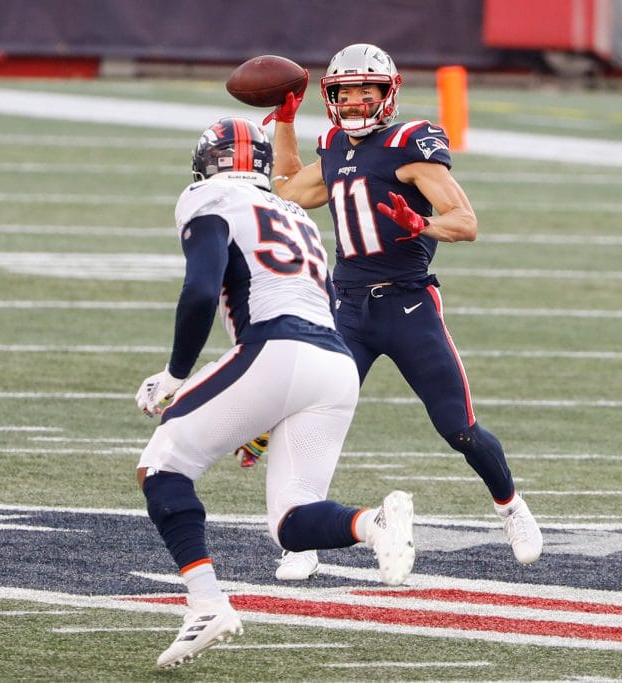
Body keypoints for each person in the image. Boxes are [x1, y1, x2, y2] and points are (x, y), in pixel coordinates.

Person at [134, 116, 415, 668]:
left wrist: (173, 375)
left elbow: (200, 291)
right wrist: (261, 413)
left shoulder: (208, 196)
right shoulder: (295, 215)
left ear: (205, 164)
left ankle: (206, 604)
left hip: (276, 348)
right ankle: (373, 524)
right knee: (292, 518)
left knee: (162, 468)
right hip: (334, 363)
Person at [258, 43, 542, 580]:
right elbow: (290, 191)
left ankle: (511, 507)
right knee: (310, 422)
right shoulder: (334, 144)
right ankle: (304, 536)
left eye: (366, 90)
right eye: (345, 92)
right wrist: (287, 124)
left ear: (387, 94)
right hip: (347, 309)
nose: (355, 101)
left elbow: (466, 222)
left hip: (408, 305)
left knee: (458, 427)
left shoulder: (409, 145)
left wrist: (423, 224)